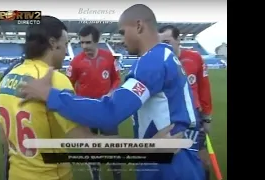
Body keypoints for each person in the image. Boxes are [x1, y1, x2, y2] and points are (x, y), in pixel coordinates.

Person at [19, 4, 204, 180]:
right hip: (169, 152)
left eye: (123, 32)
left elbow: (110, 113)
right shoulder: (162, 56)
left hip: (172, 160)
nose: (121, 40)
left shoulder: (154, 61)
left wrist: (50, 94)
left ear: (139, 26)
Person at [66, 25, 121, 180]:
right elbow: (68, 84)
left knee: (112, 146)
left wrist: (112, 91)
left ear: (97, 41)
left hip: (107, 110)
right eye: (82, 43)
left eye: (88, 42)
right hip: (87, 112)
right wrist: (76, 103)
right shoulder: (76, 62)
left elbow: (116, 78)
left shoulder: (109, 57)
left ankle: (117, 175)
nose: (84, 46)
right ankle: (95, 176)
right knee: (90, 146)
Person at [159, 25, 213, 180]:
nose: (164, 46)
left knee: (202, 161)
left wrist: (207, 117)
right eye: (160, 42)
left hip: (194, 117)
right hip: (169, 118)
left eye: (167, 41)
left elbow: (204, 88)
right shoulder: (160, 62)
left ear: (178, 40)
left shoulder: (194, 58)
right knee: (173, 159)